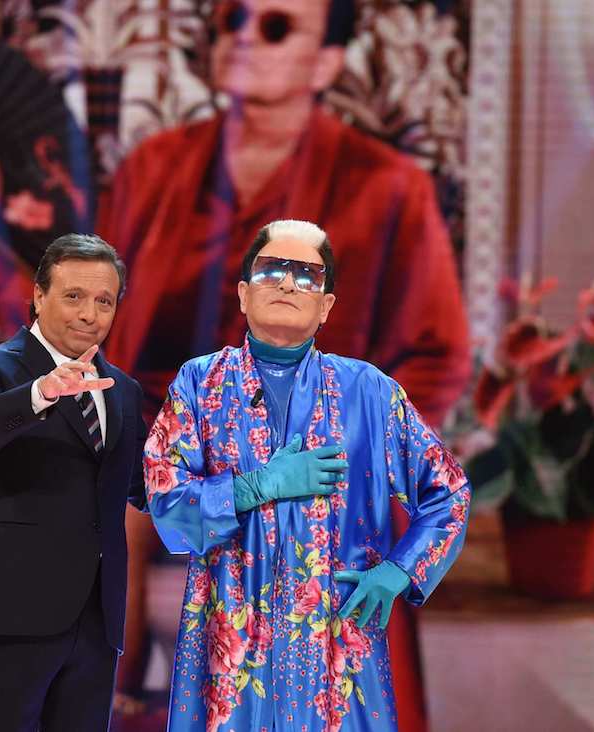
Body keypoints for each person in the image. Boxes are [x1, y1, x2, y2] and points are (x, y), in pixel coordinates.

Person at [0, 1, 469, 724]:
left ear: (328, 61)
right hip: (159, 463)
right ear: (242, 291)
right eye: (232, 18)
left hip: (324, 512)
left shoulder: (386, 205)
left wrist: (378, 524)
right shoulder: (156, 173)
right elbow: (81, 313)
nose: (242, 37)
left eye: (273, 26)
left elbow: (441, 405)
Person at [144, 220, 470, 732]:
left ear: (326, 306)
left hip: (338, 641)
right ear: (244, 294)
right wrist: (253, 487)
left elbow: (448, 493)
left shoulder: (369, 392)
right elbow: (164, 498)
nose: (287, 283)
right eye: (271, 270)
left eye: (306, 275)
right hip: (231, 639)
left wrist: (401, 570)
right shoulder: (200, 383)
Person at [0, 233, 148, 730]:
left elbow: (143, 485)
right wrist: (40, 393)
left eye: (104, 301)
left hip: (97, 622)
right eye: (73, 296)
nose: (89, 314)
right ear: (38, 295)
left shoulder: (123, 390)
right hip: (10, 614)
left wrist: (237, 479)